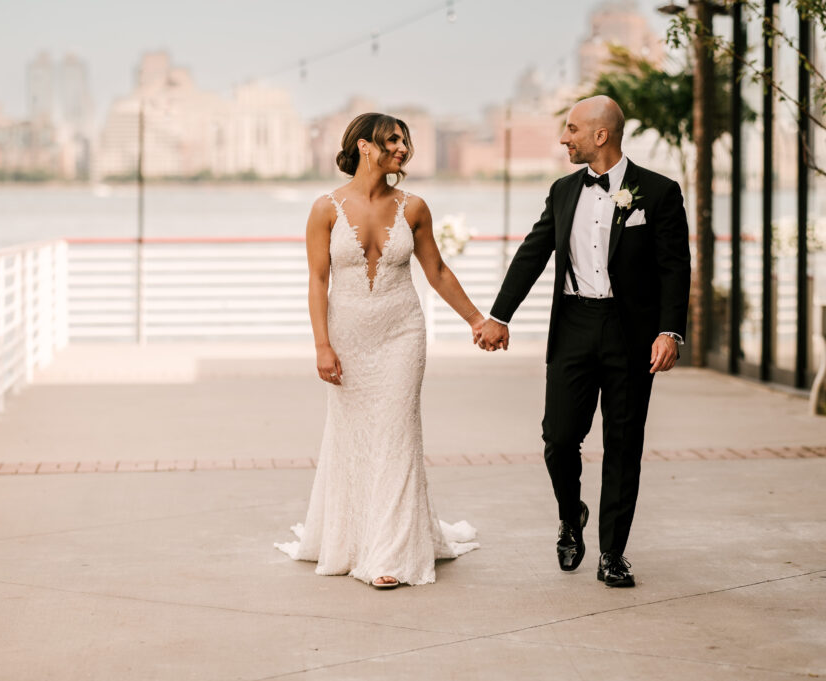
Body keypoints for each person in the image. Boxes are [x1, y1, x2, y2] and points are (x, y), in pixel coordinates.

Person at [477, 95, 691, 588]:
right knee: (558, 438)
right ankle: (571, 515)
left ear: (601, 135)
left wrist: (670, 330)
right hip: (573, 325)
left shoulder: (658, 192)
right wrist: (498, 316)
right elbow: (532, 254)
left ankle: (612, 553)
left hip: (632, 334)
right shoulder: (562, 191)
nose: (562, 138)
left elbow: (674, 267)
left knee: (623, 444)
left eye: (571, 129)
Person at [275, 112, 482, 589]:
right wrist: (322, 345)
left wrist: (475, 319)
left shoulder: (415, 207)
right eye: (393, 140)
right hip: (347, 339)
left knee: (397, 436)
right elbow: (318, 280)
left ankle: (390, 554)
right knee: (354, 439)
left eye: (405, 141)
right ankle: (353, 539)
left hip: (402, 334)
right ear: (365, 146)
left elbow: (439, 273)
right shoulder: (325, 208)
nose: (403, 149)